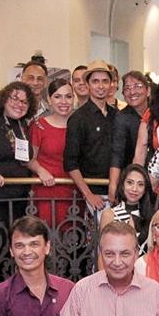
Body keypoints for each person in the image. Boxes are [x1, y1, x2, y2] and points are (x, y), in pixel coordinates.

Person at [64, 59, 115, 215]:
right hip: (92, 194)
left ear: (111, 84)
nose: (101, 86)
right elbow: (70, 162)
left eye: (105, 81)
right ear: (87, 84)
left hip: (116, 192)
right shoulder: (78, 118)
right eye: (95, 81)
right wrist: (88, 195)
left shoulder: (117, 115)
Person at [0, 81, 36, 215]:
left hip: (20, 196)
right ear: (4, 97)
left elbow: (25, 157)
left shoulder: (22, 123)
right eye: (15, 98)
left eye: (25, 102)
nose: (20, 104)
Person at [28, 78, 75, 225]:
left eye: (68, 96)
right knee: (47, 231)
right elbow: (30, 159)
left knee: (73, 232)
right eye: (57, 96)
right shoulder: (39, 126)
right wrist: (41, 171)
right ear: (49, 99)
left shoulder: (80, 124)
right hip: (47, 189)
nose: (63, 101)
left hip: (74, 190)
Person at [109, 70, 153, 199]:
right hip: (133, 182)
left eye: (137, 86)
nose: (132, 92)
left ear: (148, 91)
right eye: (127, 88)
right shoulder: (121, 118)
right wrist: (113, 185)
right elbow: (117, 153)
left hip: (158, 178)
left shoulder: (158, 112)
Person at [99, 162, 155, 251]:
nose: (134, 189)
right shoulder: (109, 214)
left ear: (145, 189)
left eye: (140, 184)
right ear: (122, 185)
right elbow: (102, 251)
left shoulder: (152, 216)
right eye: (130, 183)